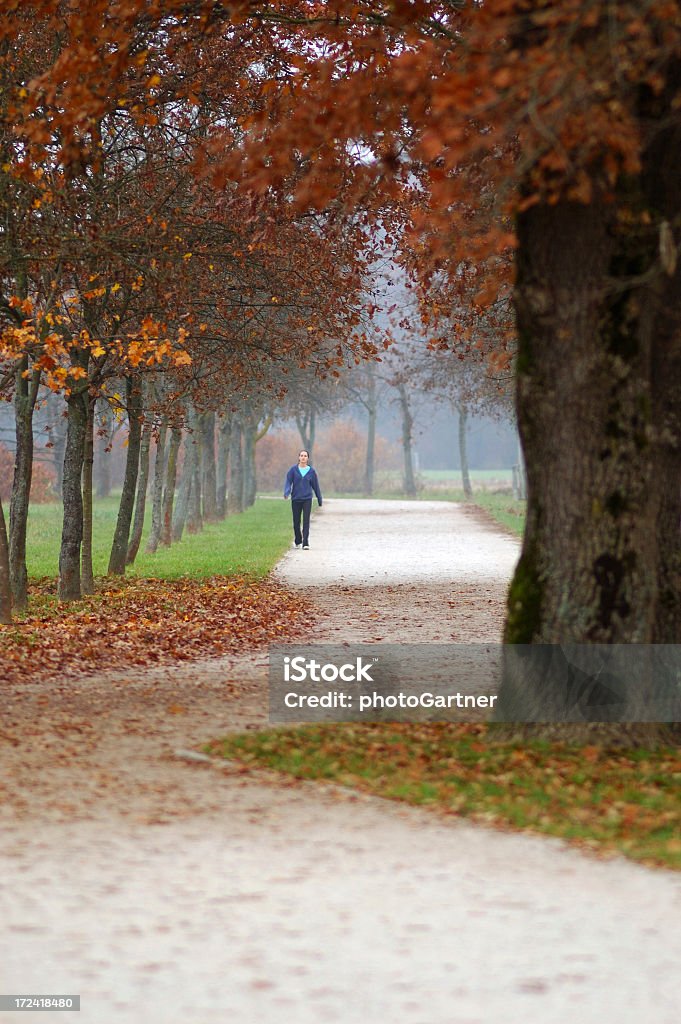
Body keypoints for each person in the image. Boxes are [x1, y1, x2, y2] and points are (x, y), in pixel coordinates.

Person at [283, 449, 322, 549]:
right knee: (296, 521)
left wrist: (319, 498)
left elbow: (315, 486)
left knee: (306, 521)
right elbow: (288, 482)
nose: (303, 457)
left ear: (308, 458)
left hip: (307, 499)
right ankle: (298, 540)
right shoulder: (293, 470)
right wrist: (286, 492)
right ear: (299, 457)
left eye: (305, 456)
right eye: (301, 455)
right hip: (296, 499)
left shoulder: (311, 472)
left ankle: (305, 542)